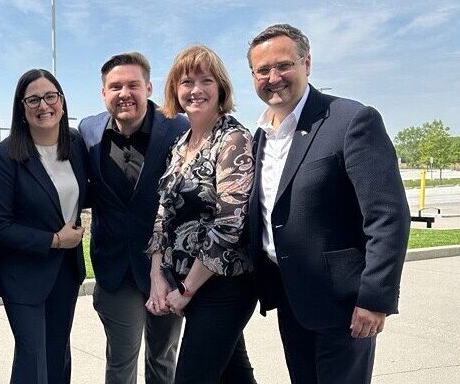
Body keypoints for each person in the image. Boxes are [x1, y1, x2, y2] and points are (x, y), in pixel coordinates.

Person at [245, 24, 410, 384]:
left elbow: (387, 215)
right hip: (291, 298)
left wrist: (375, 298)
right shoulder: (260, 137)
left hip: (345, 305)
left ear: (306, 63)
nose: (273, 78)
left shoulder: (352, 120)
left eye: (283, 65)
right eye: (262, 70)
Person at [147, 45, 257, 384]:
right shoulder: (180, 144)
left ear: (220, 88)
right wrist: (157, 274)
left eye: (205, 80)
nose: (195, 90)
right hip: (187, 283)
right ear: (175, 91)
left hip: (224, 285)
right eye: (186, 82)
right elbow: (163, 212)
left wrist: (187, 290)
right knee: (234, 377)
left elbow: (229, 222)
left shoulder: (233, 139)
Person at [78, 52, 186, 384]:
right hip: (115, 268)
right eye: (115, 86)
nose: (124, 93)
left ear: (149, 88)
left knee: (163, 358)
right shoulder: (88, 130)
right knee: (121, 361)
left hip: (167, 268)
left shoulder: (177, 127)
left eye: (133, 85)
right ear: (103, 92)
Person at [0, 69, 88, 384]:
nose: (43, 105)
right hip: (24, 275)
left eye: (50, 96)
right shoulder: (5, 156)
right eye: (33, 99)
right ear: (22, 108)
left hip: (66, 272)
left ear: (62, 102)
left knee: (58, 356)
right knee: (33, 361)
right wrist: (54, 240)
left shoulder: (76, 144)